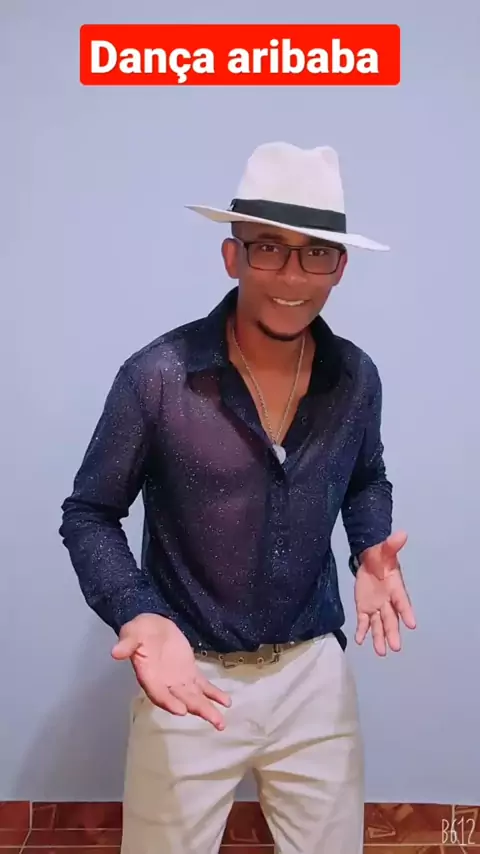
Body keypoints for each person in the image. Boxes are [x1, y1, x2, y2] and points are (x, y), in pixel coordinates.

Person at [60, 141, 416, 854]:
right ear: (233, 256)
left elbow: (365, 477)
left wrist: (370, 545)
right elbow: (89, 513)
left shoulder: (356, 378)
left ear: (340, 267)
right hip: (187, 674)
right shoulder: (158, 376)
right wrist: (137, 611)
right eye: (268, 248)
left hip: (313, 675)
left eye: (316, 253)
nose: (292, 275)